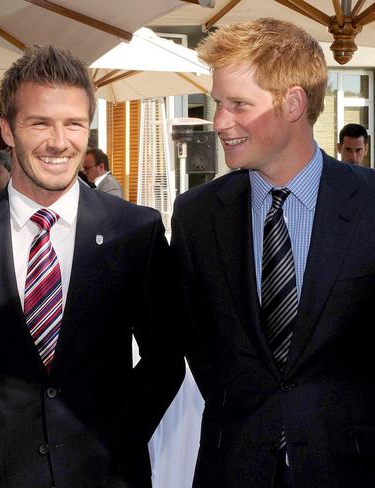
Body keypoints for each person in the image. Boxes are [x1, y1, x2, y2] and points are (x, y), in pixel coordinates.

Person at [0, 45, 184, 488]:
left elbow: (165, 355)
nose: (59, 141)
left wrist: (120, 434)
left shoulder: (134, 231)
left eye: (74, 124)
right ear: (7, 129)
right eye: (40, 122)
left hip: (107, 472)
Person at [171, 18, 375, 488]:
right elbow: (198, 342)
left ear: (293, 103)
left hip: (351, 467)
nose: (220, 121)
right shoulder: (197, 215)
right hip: (234, 466)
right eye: (219, 104)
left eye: (239, 104)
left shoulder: (369, 206)